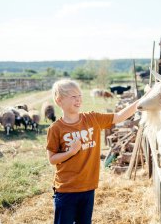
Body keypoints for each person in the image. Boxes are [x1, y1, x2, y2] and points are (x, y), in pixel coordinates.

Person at [46, 79, 139, 224]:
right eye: (73, 97)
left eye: (79, 96)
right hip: (66, 190)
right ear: (59, 101)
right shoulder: (56, 128)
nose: (78, 100)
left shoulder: (92, 119)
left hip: (88, 188)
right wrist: (70, 152)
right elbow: (52, 159)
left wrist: (142, 101)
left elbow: (119, 116)